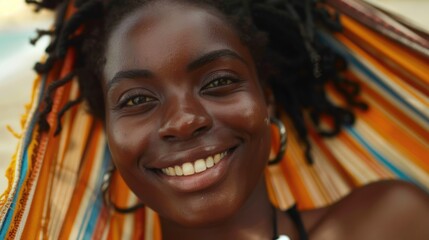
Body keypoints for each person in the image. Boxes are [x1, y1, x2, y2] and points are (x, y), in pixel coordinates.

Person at [22, 0, 429, 239]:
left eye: (218, 81)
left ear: (264, 96)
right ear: (109, 132)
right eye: (138, 99)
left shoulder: (392, 222)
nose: (184, 120)